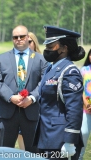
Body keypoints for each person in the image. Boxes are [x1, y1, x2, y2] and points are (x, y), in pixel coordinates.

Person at [0, 25, 48, 153]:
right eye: (15, 37)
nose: (18, 39)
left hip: (31, 112)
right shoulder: (1, 58)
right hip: (6, 113)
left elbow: (44, 83)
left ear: (28, 38)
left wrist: (32, 98)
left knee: (34, 153)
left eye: (22, 36)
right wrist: (11, 97)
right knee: (4, 153)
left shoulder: (41, 59)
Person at [33, 25, 85, 160]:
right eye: (47, 47)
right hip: (47, 137)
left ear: (64, 48)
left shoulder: (69, 72)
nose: (47, 50)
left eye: (51, 47)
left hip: (61, 140)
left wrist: (70, 141)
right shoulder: (51, 69)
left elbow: (74, 109)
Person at [79, 49, 91, 160]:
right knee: (84, 134)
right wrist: (85, 102)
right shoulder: (84, 70)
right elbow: (79, 88)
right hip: (85, 110)